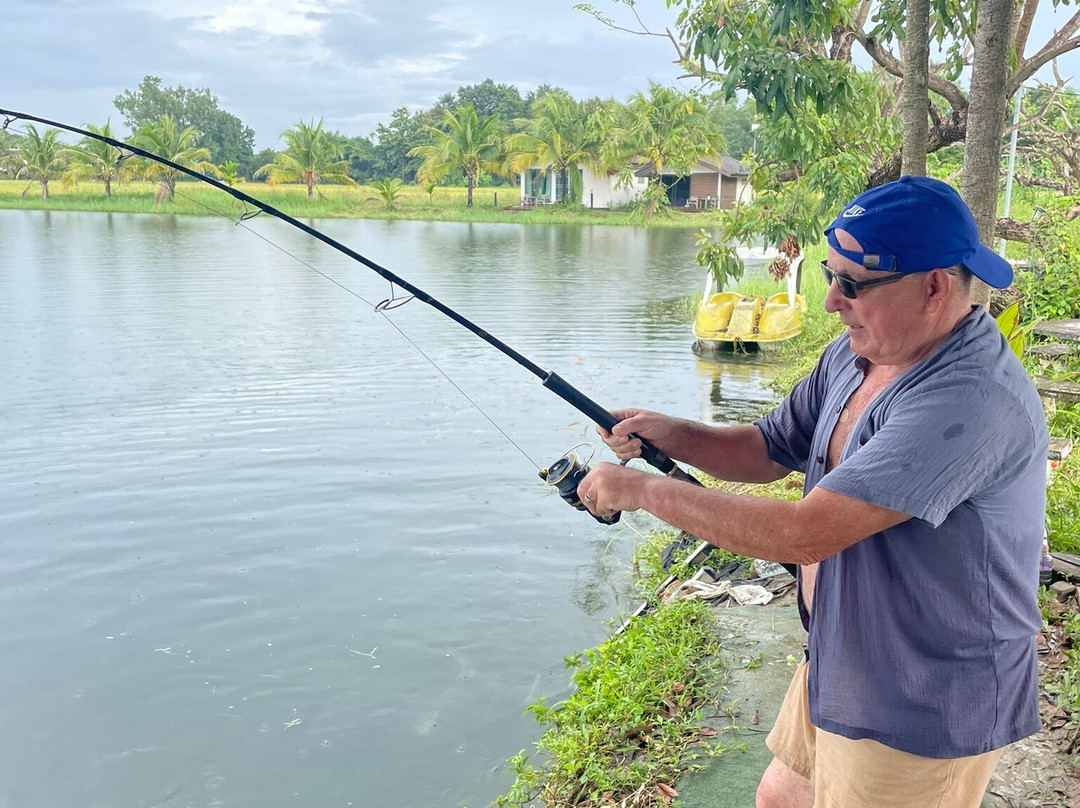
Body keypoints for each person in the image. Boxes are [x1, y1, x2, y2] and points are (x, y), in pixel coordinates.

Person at [578, 176, 1048, 808]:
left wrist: (639, 491)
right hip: (843, 651)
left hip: (923, 691)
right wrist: (673, 433)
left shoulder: (967, 398)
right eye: (830, 275)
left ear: (934, 286)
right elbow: (770, 449)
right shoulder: (857, 352)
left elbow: (805, 532)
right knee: (781, 798)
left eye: (852, 284)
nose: (830, 302)